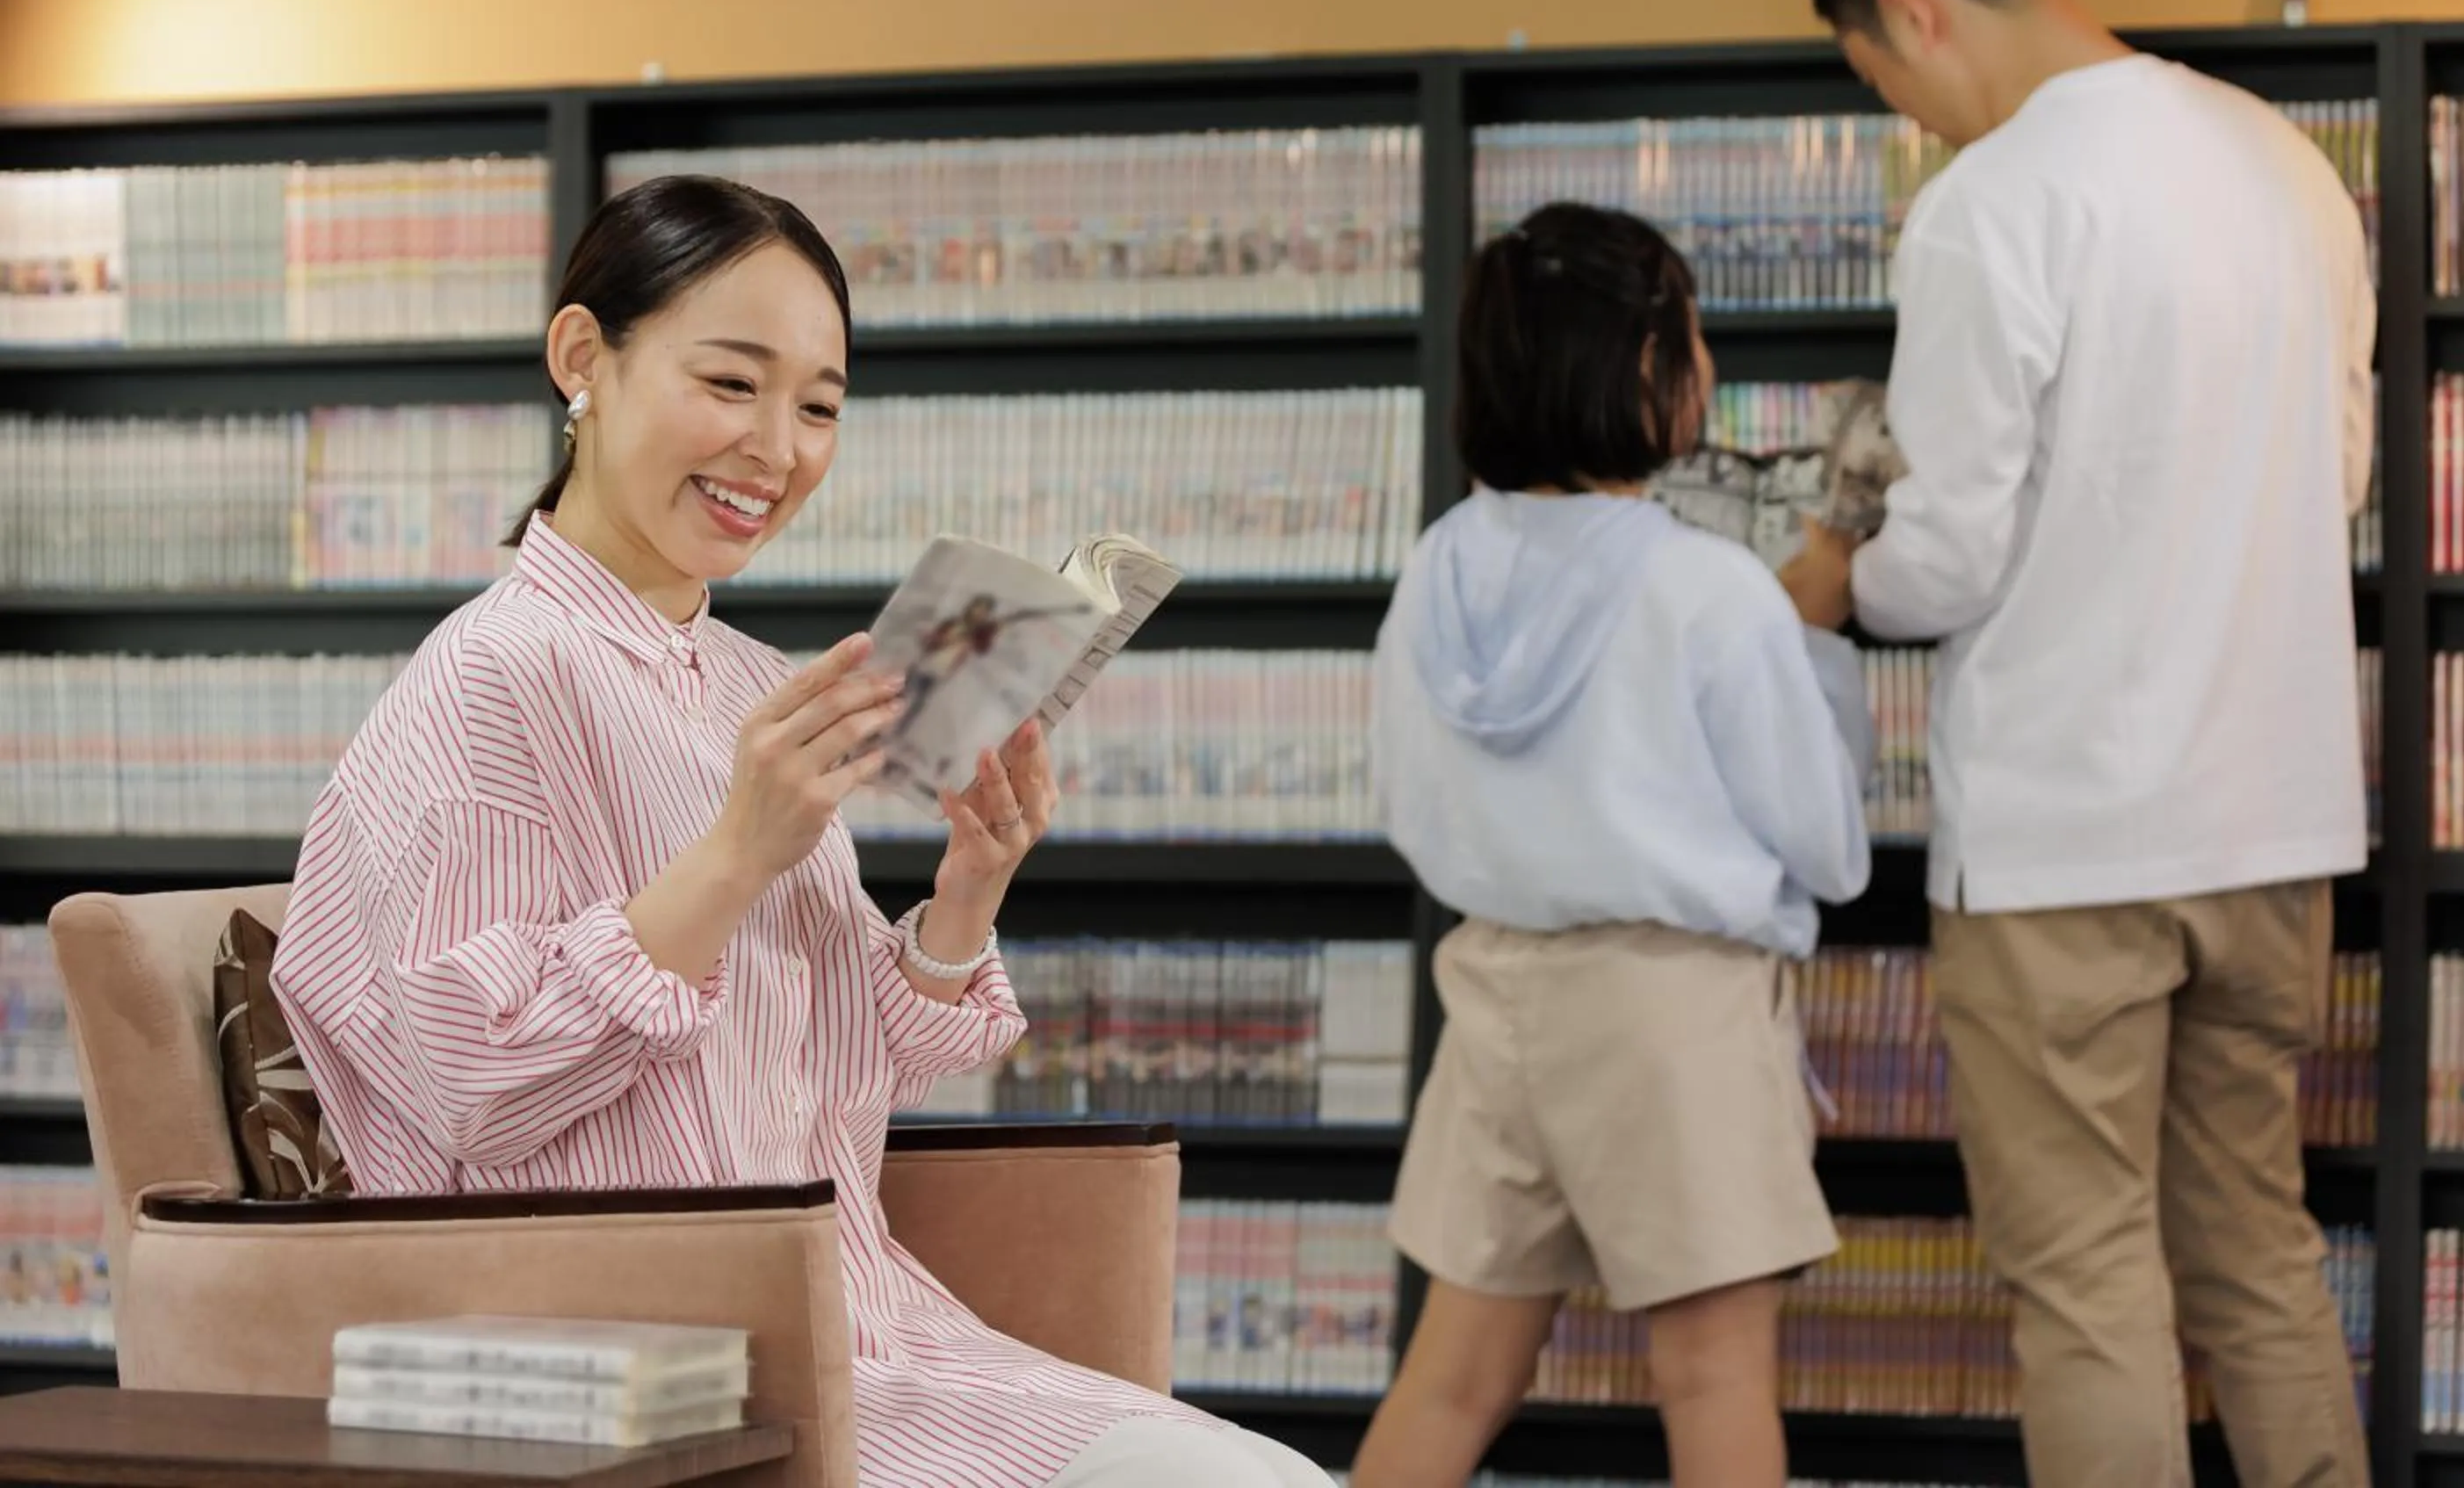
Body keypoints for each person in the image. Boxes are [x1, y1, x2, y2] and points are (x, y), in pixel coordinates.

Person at [269, 174, 1335, 1488]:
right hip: (664, 1387)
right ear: (581, 359)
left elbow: (829, 1074)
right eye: (731, 384)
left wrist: (966, 898)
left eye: (819, 407)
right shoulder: (492, 677)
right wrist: (733, 857)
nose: (778, 450)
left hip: (872, 1337)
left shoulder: (742, 681)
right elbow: (469, 1088)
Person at [1807, 0, 2375, 1488]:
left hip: (2068, 848)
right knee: (2259, 1256)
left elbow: (1949, 554)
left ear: (1912, 9)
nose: (1920, 118)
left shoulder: (1993, 205)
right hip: (2272, 828)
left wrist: (1838, 573)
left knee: (2089, 1287)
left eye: (1887, 78)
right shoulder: (2284, 164)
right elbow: (2334, 475)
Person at [1348, 201, 1875, 1488]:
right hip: (1672, 1011)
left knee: (1454, 1378)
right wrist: (1815, 637)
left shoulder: (1439, 568)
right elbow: (1833, 847)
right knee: (1713, 1378)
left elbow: (1404, 804)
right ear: (1648, 368)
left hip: (1498, 995)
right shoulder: (1709, 589)